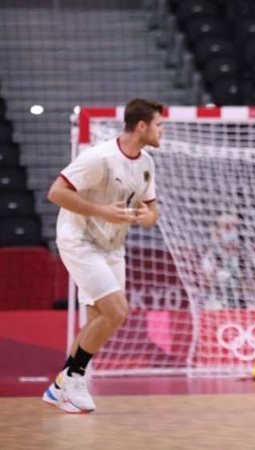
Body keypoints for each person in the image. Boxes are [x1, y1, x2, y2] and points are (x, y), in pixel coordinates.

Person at [41, 98, 164, 413]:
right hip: (80, 241)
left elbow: (152, 210)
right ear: (141, 126)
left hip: (112, 246)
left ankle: (59, 388)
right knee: (117, 311)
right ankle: (74, 377)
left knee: (100, 320)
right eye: (158, 125)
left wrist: (146, 217)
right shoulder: (99, 157)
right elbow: (56, 192)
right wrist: (101, 211)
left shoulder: (147, 163)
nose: (161, 131)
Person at [200, 213, 255, 309]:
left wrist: (244, 277)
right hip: (219, 299)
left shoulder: (247, 253)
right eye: (226, 227)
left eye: (234, 227)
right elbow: (207, 282)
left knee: (252, 307)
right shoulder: (211, 255)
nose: (230, 231)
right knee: (214, 307)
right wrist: (217, 271)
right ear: (217, 232)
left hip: (245, 299)